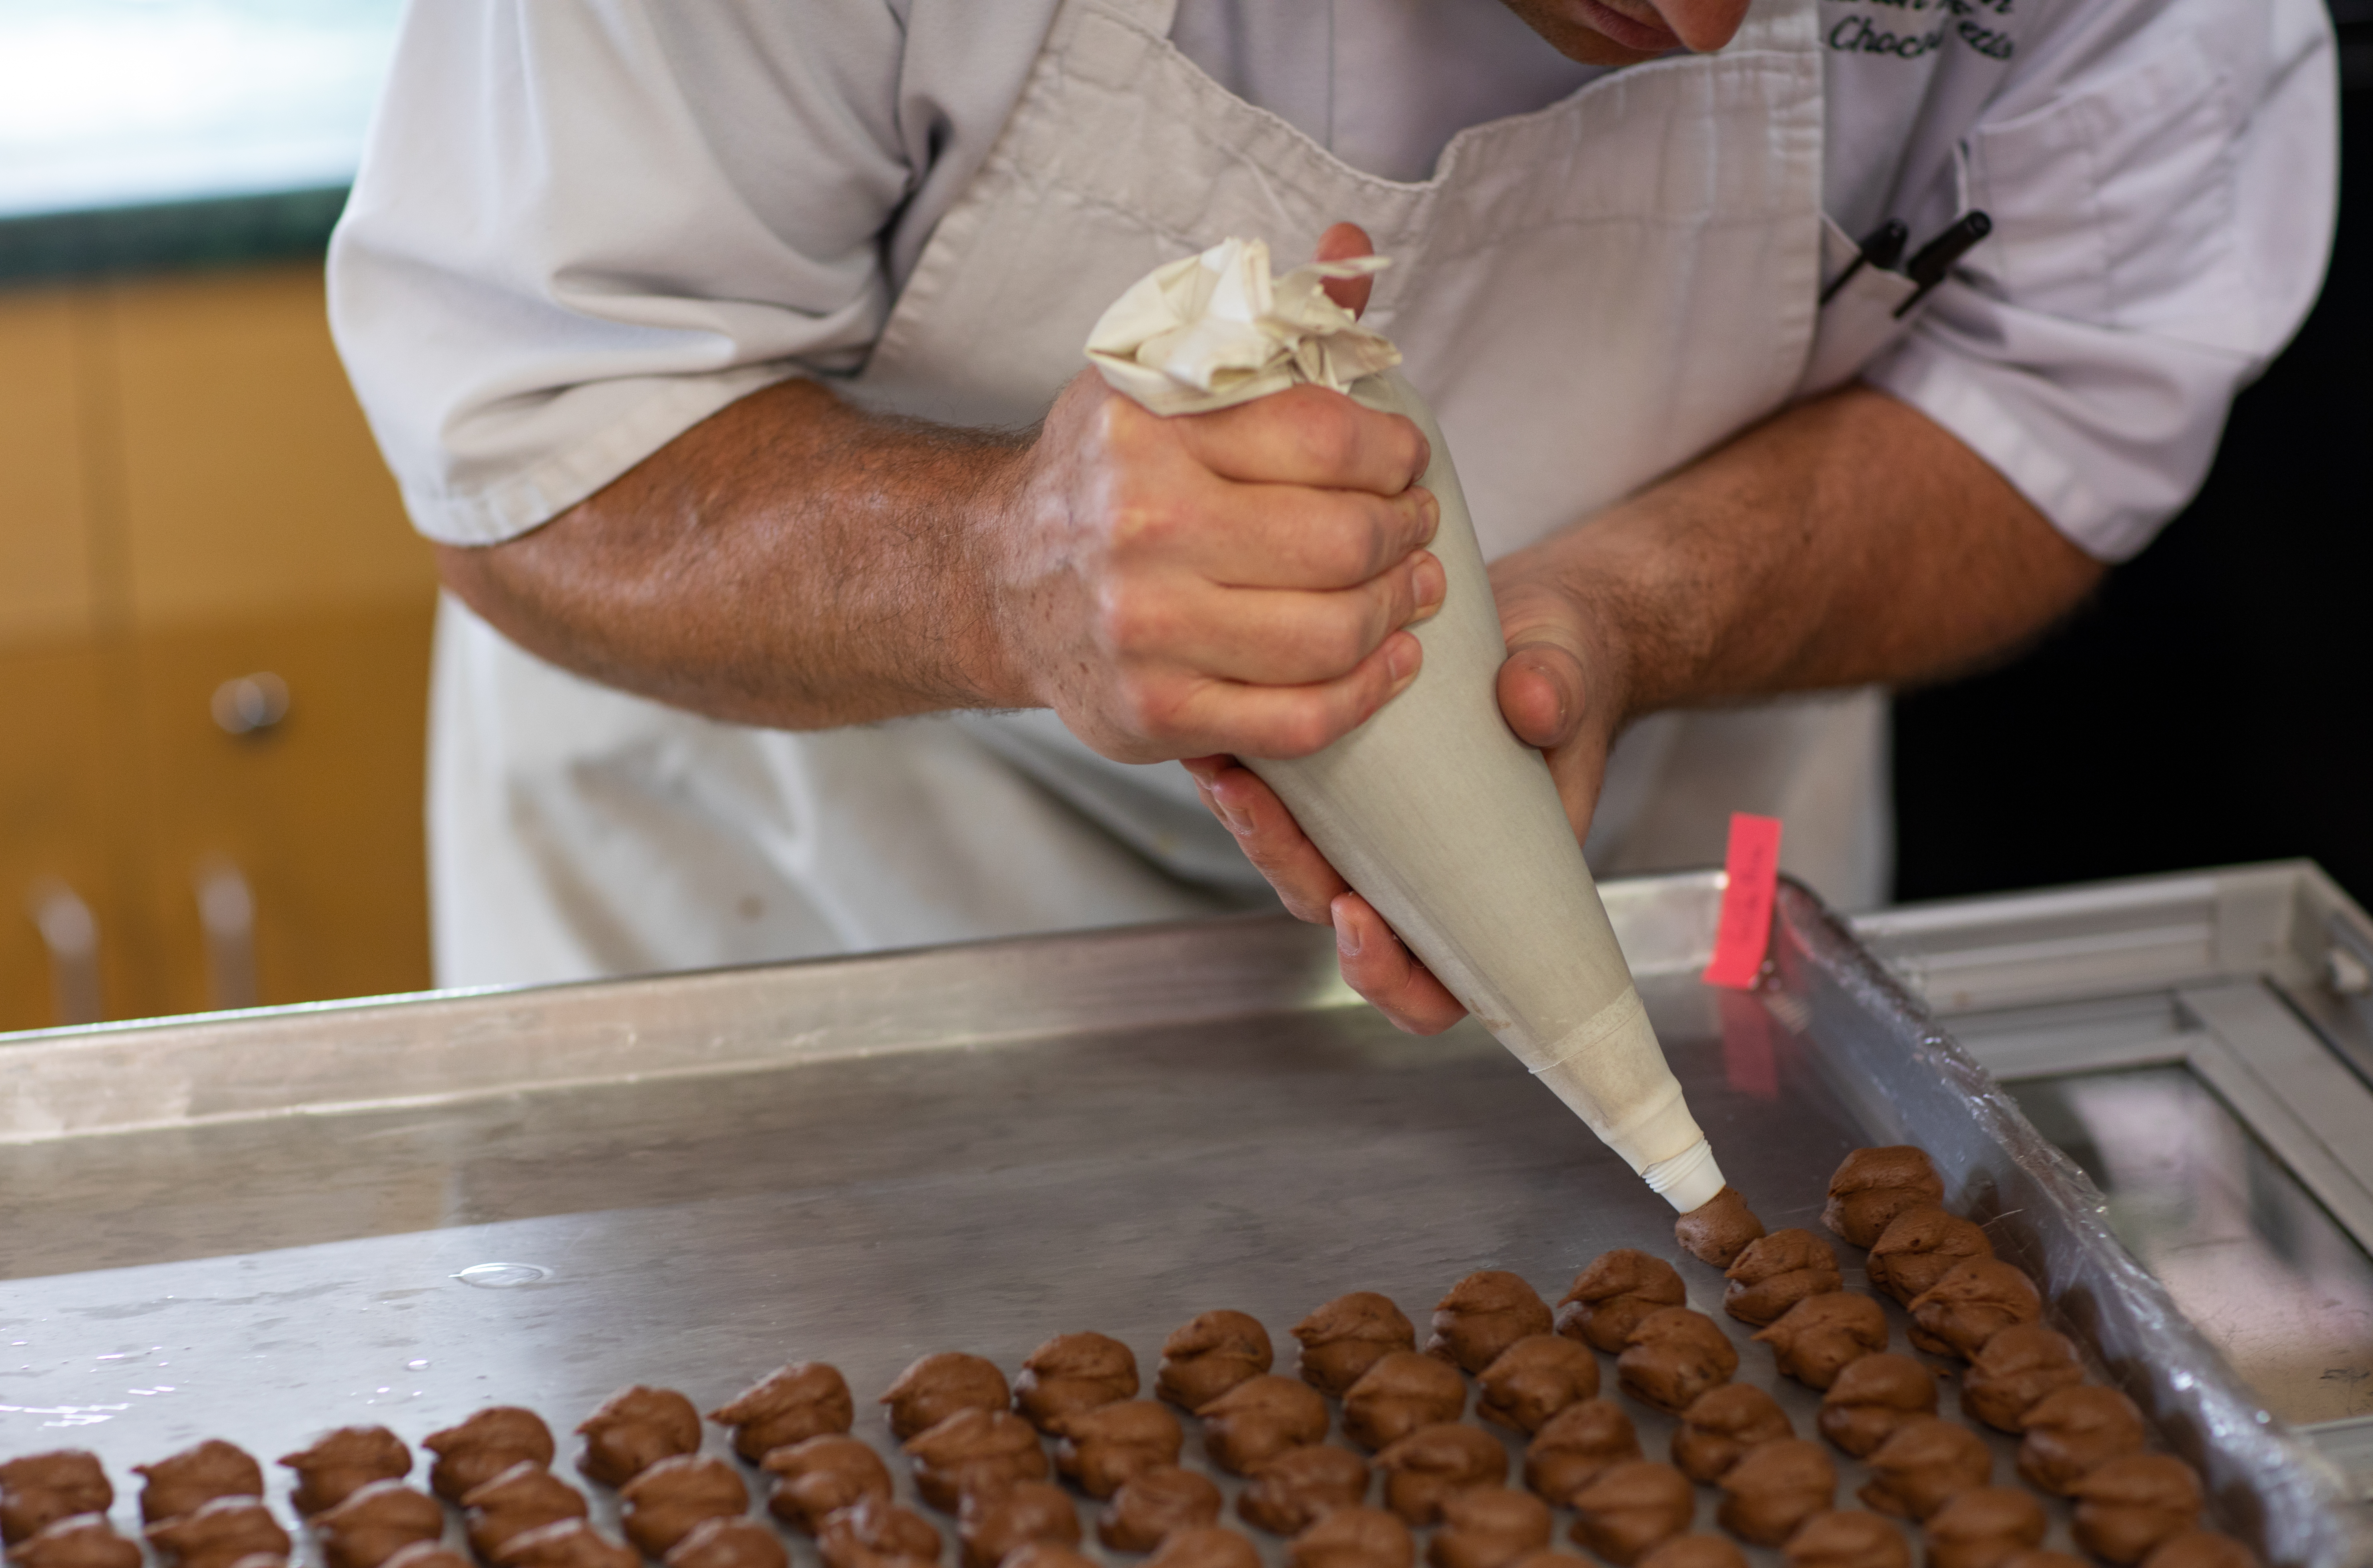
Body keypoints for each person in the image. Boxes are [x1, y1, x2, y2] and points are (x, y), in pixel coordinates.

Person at [331, 0, 2335, 1032]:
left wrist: (1624, 616)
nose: (1721, 22)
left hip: (1639, 917)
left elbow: (2054, 386)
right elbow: (548, 428)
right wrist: (992, 570)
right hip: (828, 918)